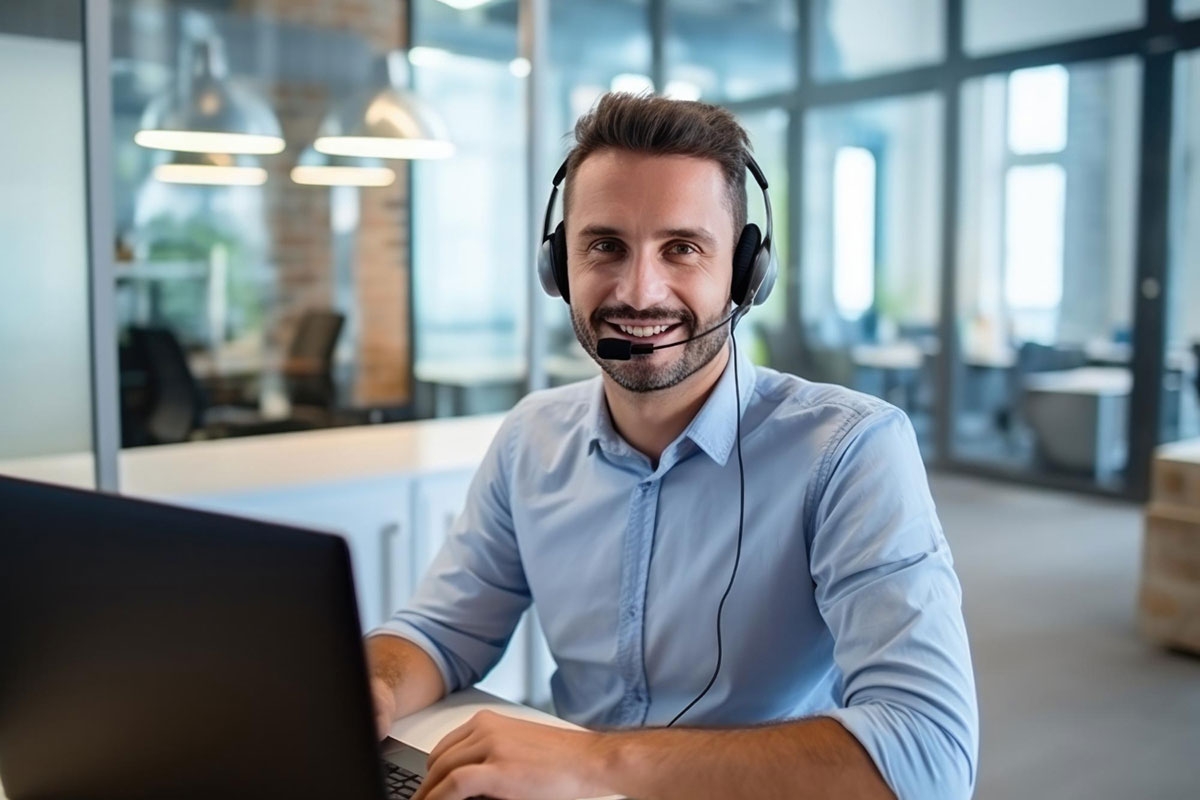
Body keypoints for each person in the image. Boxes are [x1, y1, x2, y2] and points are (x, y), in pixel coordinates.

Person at [366, 92, 978, 800]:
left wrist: (595, 762)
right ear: (558, 267)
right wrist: (367, 691)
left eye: (682, 248)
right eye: (605, 246)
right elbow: (440, 634)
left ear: (745, 273)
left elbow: (930, 757)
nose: (638, 290)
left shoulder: (851, 451)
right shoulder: (532, 439)